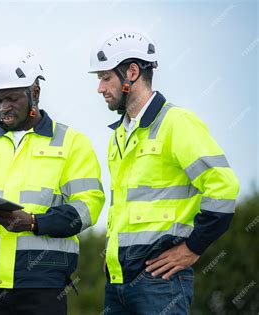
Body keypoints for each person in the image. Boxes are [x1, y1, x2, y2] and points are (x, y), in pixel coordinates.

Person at [0, 45, 105, 315]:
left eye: (12, 99)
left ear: (35, 92)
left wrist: (36, 222)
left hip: (43, 284)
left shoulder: (73, 144)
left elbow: (89, 207)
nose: (3, 108)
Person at [88, 31, 239, 313]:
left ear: (131, 72)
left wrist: (192, 248)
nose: (99, 88)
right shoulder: (118, 135)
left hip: (160, 283)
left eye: (105, 77)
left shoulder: (177, 123)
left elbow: (224, 188)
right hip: (116, 282)